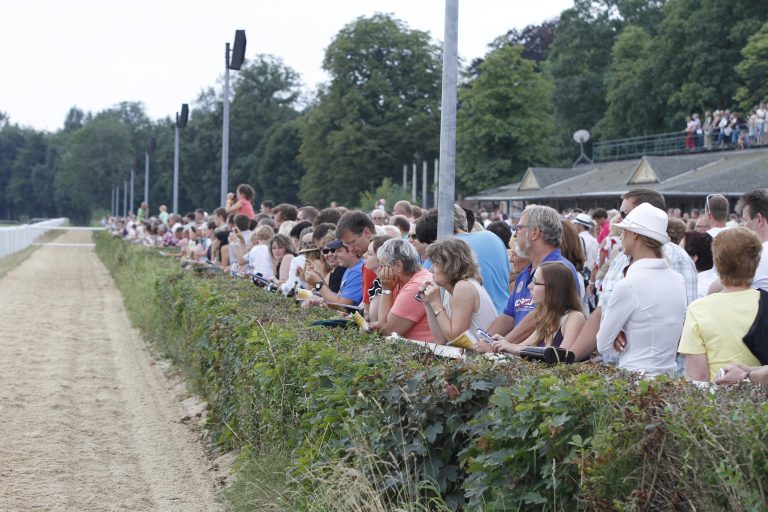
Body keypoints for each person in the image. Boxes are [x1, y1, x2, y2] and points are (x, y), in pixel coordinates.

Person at [596, 203, 687, 376]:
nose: (620, 235)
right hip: (669, 379)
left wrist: (621, 336)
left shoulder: (628, 285)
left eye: (624, 230)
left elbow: (602, 344)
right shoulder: (678, 280)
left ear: (635, 234)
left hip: (635, 379)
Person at [487, 205, 582, 346]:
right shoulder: (525, 272)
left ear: (535, 232)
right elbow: (508, 316)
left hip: (541, 357)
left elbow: (541, 316)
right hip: (522, 354)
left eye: (518, 228)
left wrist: (504, 344)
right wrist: (484, 340)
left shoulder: (560, 269)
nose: (514, 234)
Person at [678, 228, 763, 381]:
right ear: (756, 264)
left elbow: (698, 376)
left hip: (717, 393)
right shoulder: (764, 301)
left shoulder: (698, 309)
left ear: (717, 262)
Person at [492, 262, 586, 354]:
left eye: (535, 282)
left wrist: (512, 347)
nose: (529, 286)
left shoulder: (575, 317)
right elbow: (523, 346)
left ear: (553, 288)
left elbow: (563, 356)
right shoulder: (547, 316)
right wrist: (504, 343)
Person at [420, 238, 497, 345]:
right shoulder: (451, 290)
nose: (431, 270)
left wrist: (436, 303)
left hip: (484, 354)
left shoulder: (464, 287)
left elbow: (455, 338)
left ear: (451, 266)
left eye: (436, 264)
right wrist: (428, 303)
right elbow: (440, 339)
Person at [370, 238, 433, 342]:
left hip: (423, 350)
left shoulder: (417, 285)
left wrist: (386, 290)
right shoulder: (398, 281)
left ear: (398, 266)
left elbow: (387, 332)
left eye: (382, 265)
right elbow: (381, 322)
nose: (380, 270)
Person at [453, 205, 510, 314]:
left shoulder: (446, 247)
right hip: (506, 314)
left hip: (476, 319)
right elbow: (506, 275)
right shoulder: (491, 237)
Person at [304, 239, 363, 306]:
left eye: (338, 251)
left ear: (352, 251)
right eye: (325, 251)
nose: (334, 254)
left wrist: (318, 283)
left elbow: (341, 305)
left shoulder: (356, 271)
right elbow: (334, 297)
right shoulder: (349, 269)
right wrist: (318, 300)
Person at [362, 235, 391, 323]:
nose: (364, 255)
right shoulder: (377, 282)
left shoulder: (386, 284)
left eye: (369, 253)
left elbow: (376, 322)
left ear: (381, 259)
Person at [681, 230, 715, 298]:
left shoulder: (696, 290)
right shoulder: (716, 280)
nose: (677, 253)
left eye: (681, 250)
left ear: (693, 258)